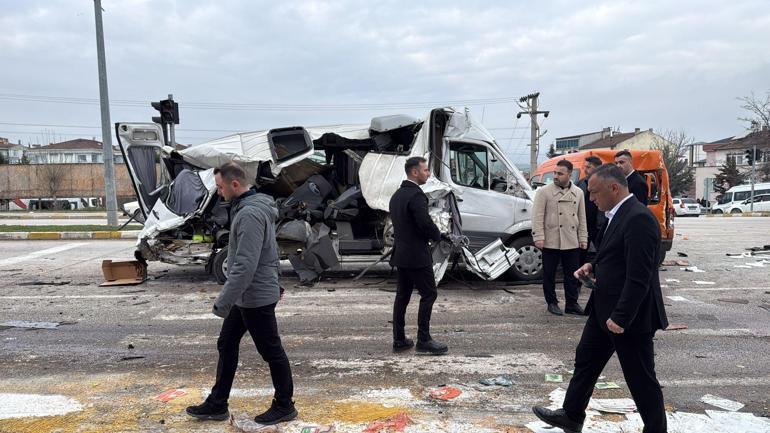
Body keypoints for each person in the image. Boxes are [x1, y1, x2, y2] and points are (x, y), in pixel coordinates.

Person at [532, 164, 669, 433]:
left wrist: (621, 317)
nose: (591, 198)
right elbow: (615, 254)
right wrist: (593, 266)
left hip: (628, 316)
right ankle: (571, 415)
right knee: (586, 360)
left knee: (641, 379)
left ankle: (656, 429)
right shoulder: (615, 215)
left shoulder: (639, 218)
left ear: (613, 188)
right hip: (602, 308)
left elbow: (640, 276)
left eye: (594, 193)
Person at [186, 162, 297, 425]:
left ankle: (284, 406)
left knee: (271, 351)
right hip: (248, 295)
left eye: (221, 187)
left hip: (254, 296)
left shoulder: (249, 214)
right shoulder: (248, 208)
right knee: (227, 343)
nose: (219, 192)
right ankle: (217, 404)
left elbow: (244, 265)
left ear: (235, 185)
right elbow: (269, 252)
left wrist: (222, 302)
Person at [389, 156, 448, 355]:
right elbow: (424, 223)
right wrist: (438, 236)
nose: (428, 174)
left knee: (402, 296)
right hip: (417, 255)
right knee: (429, 294)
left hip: (401, 255)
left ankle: (399, 339)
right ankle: (424, 340)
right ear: (415, 172)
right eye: (425, 170)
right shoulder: (416, 195)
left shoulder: (396, 195)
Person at [532, 159, 588, 316]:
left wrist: (583, 238)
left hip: (571, 239)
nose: (555, 176)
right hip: (551, 239)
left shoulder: (578, 192)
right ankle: (552, 302)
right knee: (549, 274)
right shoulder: (544, 191)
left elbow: (581, 218)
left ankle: (572, 303)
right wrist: (538, 236)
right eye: (554, 173)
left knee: (572, 275)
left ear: (569, 175)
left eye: (560, 173)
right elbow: (537, 216)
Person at [576, 156, 605, 252]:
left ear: (597, 168)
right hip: (584, 227)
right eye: (584, 167)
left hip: (600, 227)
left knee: (603, 253)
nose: (585, 170)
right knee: (580, 255)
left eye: (588, 167)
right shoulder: (580, 184)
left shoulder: (606, 183)